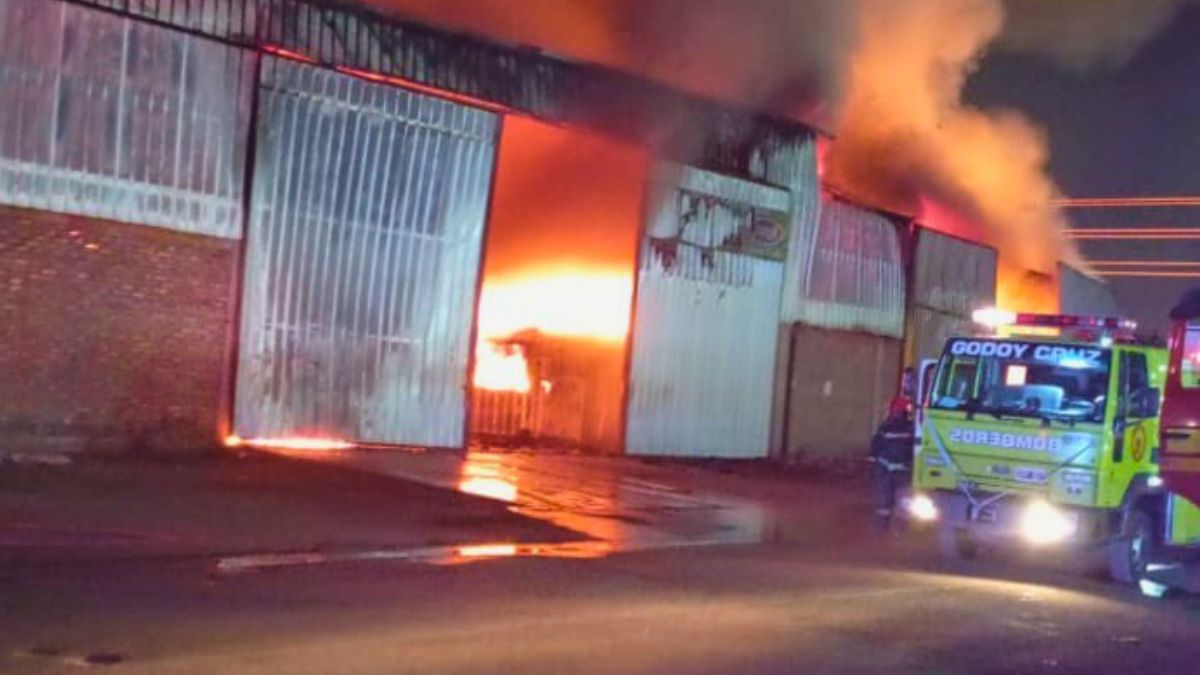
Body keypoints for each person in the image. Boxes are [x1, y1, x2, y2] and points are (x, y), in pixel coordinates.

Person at [871, 368, 916, 530]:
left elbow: (875, 445)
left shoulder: (889, 426)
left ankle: (887, 529)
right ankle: (890, 530)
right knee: (891, 502)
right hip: (895, 471)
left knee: (891, 502)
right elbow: (876, 445)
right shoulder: (910, 428)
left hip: (891, 471)